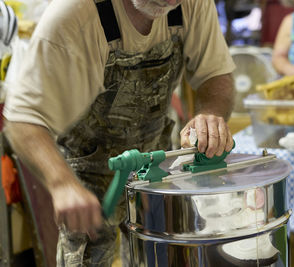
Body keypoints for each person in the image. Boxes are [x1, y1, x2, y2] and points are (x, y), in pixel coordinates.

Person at [3, 0, 236, 265]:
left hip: (154, 170)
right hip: (87, 182)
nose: (172, 1)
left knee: (158, 258)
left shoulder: (188, 3)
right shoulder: (73, 15)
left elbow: (215, 74)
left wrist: (212, 114)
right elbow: (23, 119)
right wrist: (62, 185)